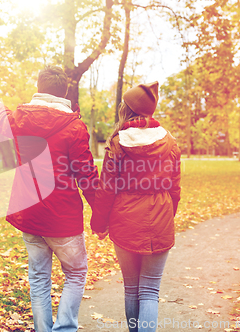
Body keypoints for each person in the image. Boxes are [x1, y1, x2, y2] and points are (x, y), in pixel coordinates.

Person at [0, 65, 98, 332]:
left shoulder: (16, 119)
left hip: (30, 215)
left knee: (39, 277)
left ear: (38, 88)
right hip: (62, 220)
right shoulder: (74, 127)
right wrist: (102, 213)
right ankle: (64, 329)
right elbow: (87, 176)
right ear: (64, 93)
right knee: (75, 273)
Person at [90, 82, 181, 332]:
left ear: (126, 110)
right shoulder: (170, 142)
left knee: (132, 288)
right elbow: (175, 189)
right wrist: (166, 217)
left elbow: (106, 190)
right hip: (160, 220)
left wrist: (99, 225)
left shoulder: (117, 144)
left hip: (125, 221)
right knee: (150, 290)